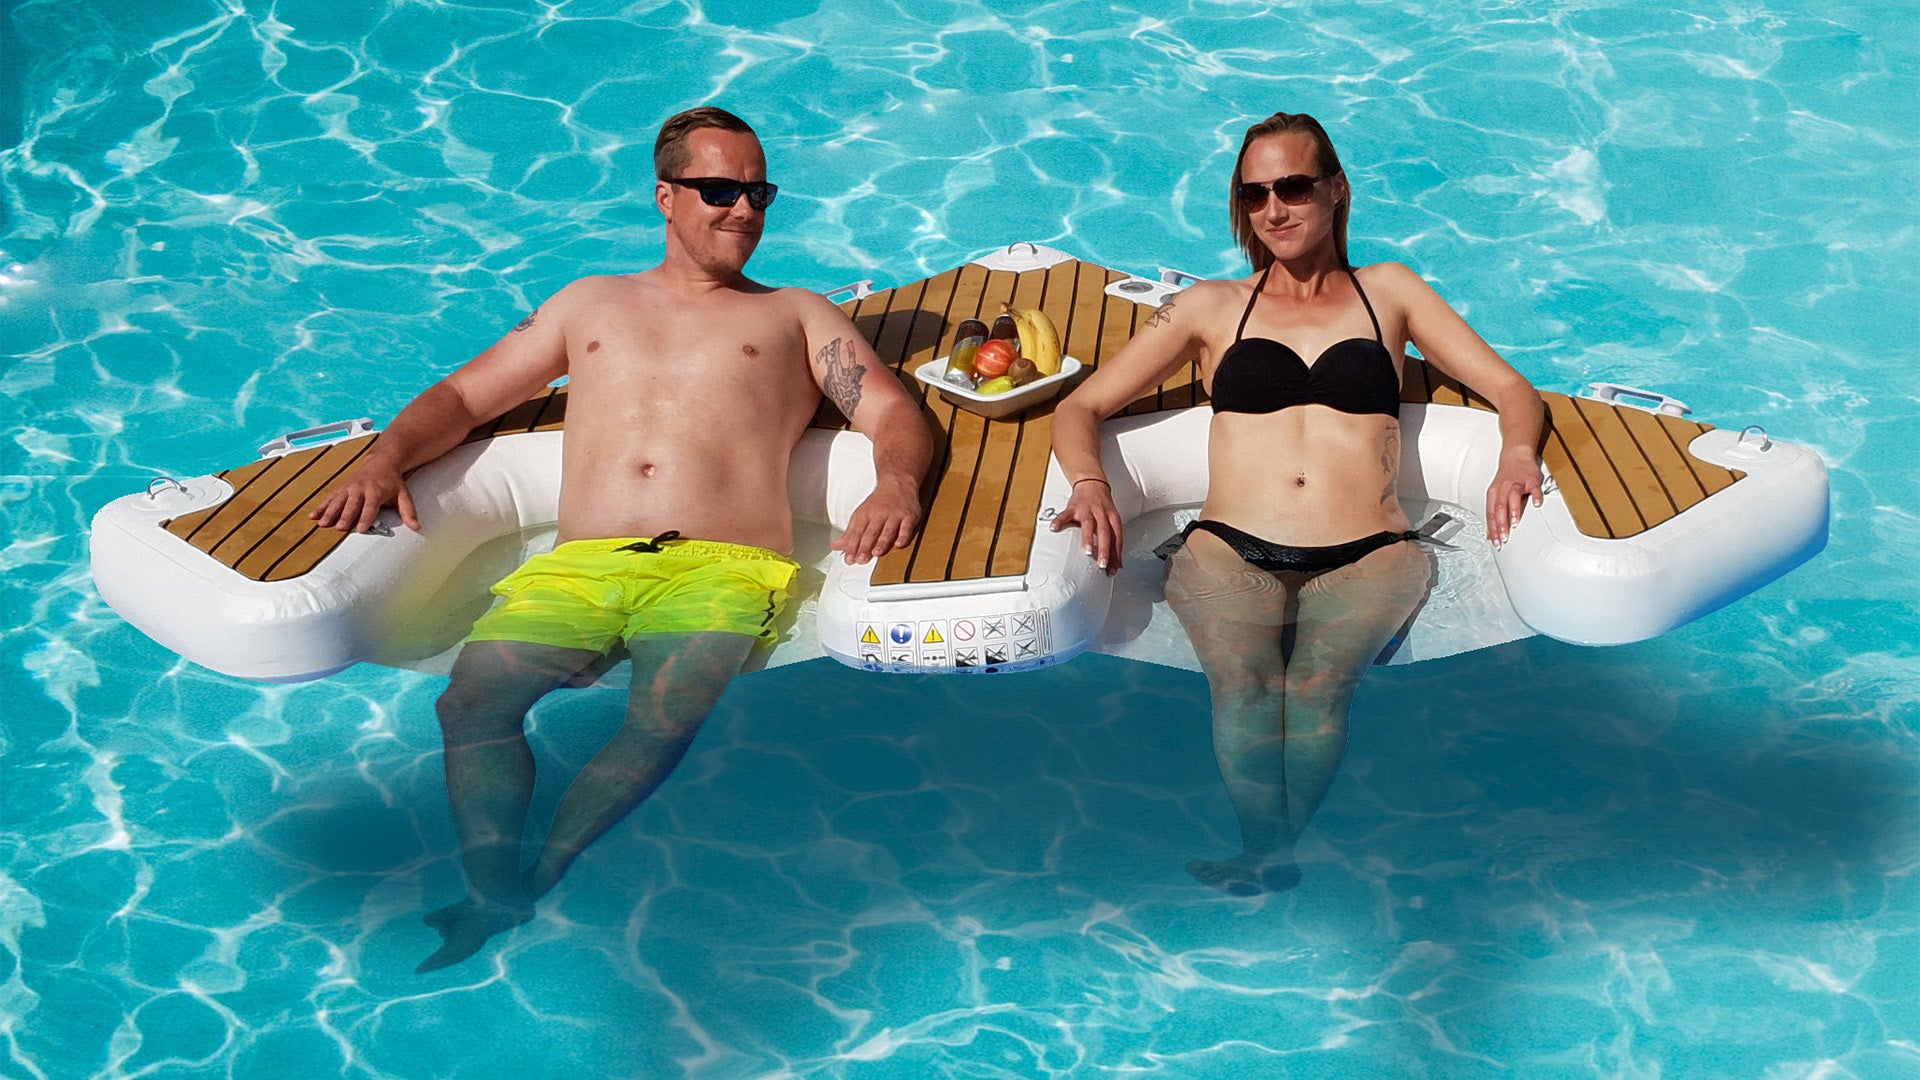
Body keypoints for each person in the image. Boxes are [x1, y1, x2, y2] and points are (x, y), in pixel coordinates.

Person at [309, 106, 933, 970]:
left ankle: (550, 869)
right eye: (720, 190)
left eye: (759, 192)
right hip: (584, 566)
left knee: (662, 715)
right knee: (468, 705)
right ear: (665, 196)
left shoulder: (794, 314)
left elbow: (893, 410)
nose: (744, 210)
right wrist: (387, 460)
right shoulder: (589, 302)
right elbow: (463, 398)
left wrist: (896, 478)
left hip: (723, 566)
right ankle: (492, 887)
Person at [1049, 111, 1546, 896]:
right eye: (1253, 195)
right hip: (1227, 546)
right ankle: (1263, 851)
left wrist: (1516, 455)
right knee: (1241, 686)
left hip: (1369, 553)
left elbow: (1511, 387)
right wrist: (1090, 483)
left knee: (1319, 686)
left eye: (1292, 187)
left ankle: (1275, 850)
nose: (1273, 209)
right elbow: (1078, 408)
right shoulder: (1210, 306)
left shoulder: (1392, 291)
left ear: (1335, 189)